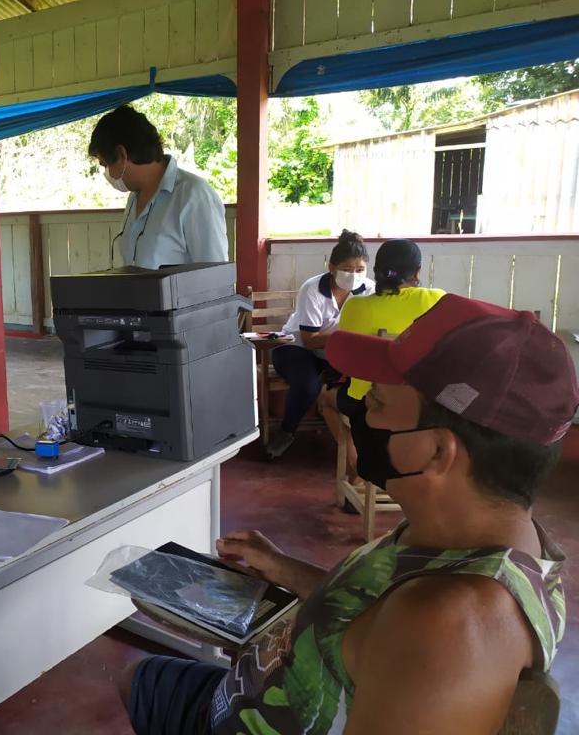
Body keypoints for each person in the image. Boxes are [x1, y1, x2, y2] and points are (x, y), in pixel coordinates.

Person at [122, 293, 575, 735]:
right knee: (138, 679)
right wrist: (284, 568)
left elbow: (410, 635)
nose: (357, 412)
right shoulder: (464, 529)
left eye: (375, 402)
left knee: (140, 682)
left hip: (250, 715)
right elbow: (373, 615)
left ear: (438, 452)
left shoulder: (451, 628)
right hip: (253, 691)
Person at [318, 238, 445, 480]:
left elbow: (346, 362)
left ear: (375, 270)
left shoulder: (356, 306)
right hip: (423, 404)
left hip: (368, 404)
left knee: (325, 398)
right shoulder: (438, 300)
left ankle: (355, 471)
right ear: (417, 272)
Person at [265, 230, 373, 459]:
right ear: (332, 267)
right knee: (308, 385)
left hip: (337, 354)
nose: (354, 275)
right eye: (347, 269)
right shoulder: (313, 289)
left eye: (360, 270)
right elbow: (310, 340)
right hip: (295, 348)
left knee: (365, 386)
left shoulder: (369, 290)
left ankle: (358, 447)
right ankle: (286, 432)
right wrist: (348, 337)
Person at [89, 104, 228, 269]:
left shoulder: (194, 196)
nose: (107, 173)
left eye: (105, 164)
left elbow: (215, 275)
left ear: (122, 155)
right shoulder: (134, 197)